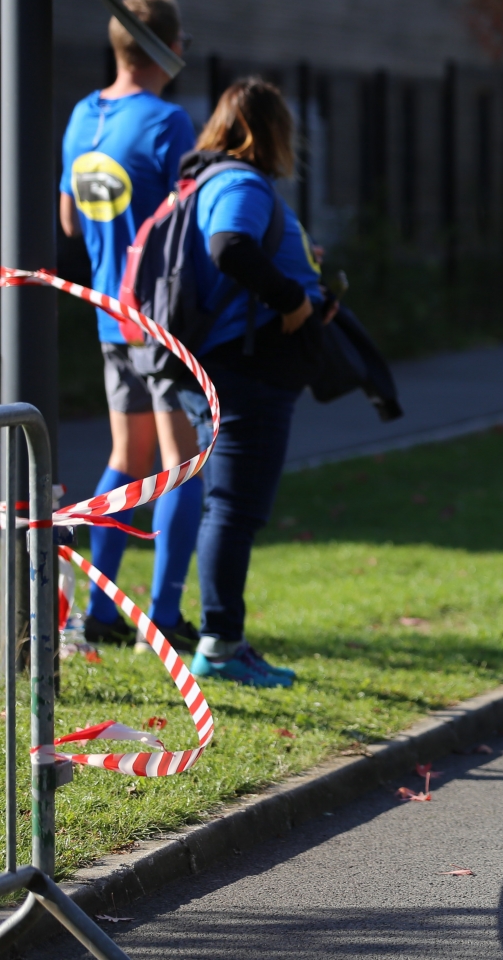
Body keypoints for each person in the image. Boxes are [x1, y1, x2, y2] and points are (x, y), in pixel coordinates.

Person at [57, 0, 203, 651]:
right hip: (162, 319)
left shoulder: (82, 116)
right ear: (164, 48)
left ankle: (99, 612)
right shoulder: (169, 122)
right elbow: (191, 225)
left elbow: (69, 221)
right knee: (180, 464)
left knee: (127, 458)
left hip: (110, 317)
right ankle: (164, 616)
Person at [177, 78, 333, 689]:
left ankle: (223, 640)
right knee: (233, 509)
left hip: (231, 367)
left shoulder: (207, 179)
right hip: (246, 371)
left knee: (227, 506)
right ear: (272, 131)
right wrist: (292, 297)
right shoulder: (240, 182)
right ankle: (220, 645)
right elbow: (230, 247)